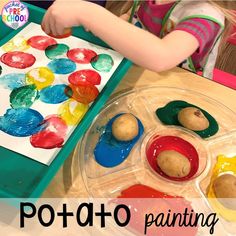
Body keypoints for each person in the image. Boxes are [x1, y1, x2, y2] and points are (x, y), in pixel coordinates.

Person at [42, 0, 236, 79]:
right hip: (134, 71)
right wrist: (116, 25)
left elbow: (162, 56)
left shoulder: (205, 16)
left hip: (175, 86)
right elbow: (134, 18)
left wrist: (88, 13)